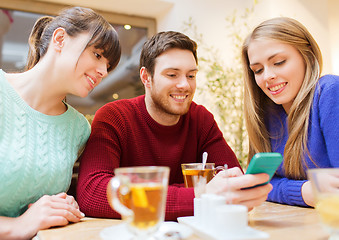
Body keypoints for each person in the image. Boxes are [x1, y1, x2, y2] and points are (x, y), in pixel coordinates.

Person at [77, 31, 272, 221]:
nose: (184, 85)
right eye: (172, 75)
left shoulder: (201, 119)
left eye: (191, 76)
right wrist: (199, 195)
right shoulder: (114, 117)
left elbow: (231, 183)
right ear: (146, 77)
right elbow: (93, 192)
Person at [0, 6, 121, 239]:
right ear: (60, 39)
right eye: (97, 54)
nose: (104, 71)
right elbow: (27, 221)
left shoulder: (78, 128)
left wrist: (61, 207)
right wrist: (18, 225)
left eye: (108, 65)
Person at [241, 17, 339, 207]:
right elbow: (257, 183)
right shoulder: (266, 113)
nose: (267, 76)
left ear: (307, 55)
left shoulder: (329, 92)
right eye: (258, 70)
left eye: (279, 62)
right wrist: (305, 191)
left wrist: (286, 189)